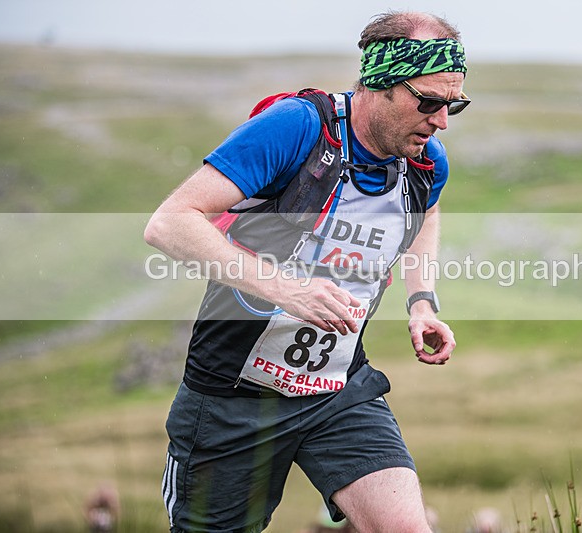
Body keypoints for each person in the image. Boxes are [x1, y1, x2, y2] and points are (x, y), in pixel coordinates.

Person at [145, 10, 468, 533]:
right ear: (381, 84)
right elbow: (169, 223)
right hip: (234, 396)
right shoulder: (297, 127)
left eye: (452, 105)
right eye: (427, 102)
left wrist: (421, 302)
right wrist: (287, 289)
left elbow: (427, 209)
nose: (440, 121)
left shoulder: (425, 159)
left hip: (336, 390)